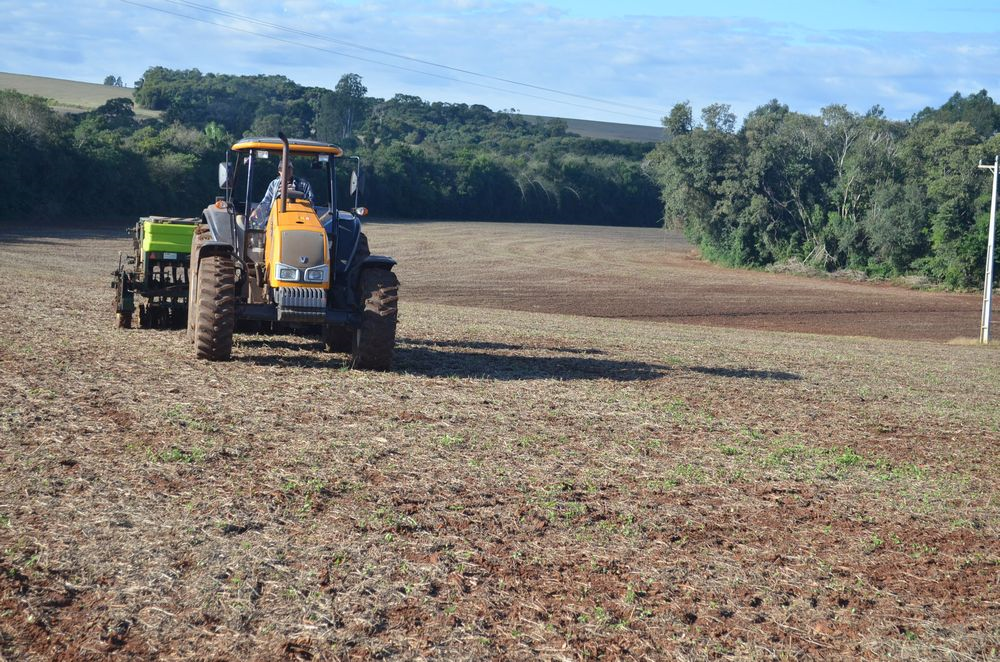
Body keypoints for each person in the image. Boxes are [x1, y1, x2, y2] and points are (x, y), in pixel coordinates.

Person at [250, 158, 315, 228]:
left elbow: (311, 202)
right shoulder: (273, 184)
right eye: (284, 168)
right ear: (279, 171)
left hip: (299, 219)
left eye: (289, 168)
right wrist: (257, 211)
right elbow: (266, 201)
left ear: (292, 170)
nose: (287, 170)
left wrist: (298, 197)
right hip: (275, 219)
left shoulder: (304, 184)